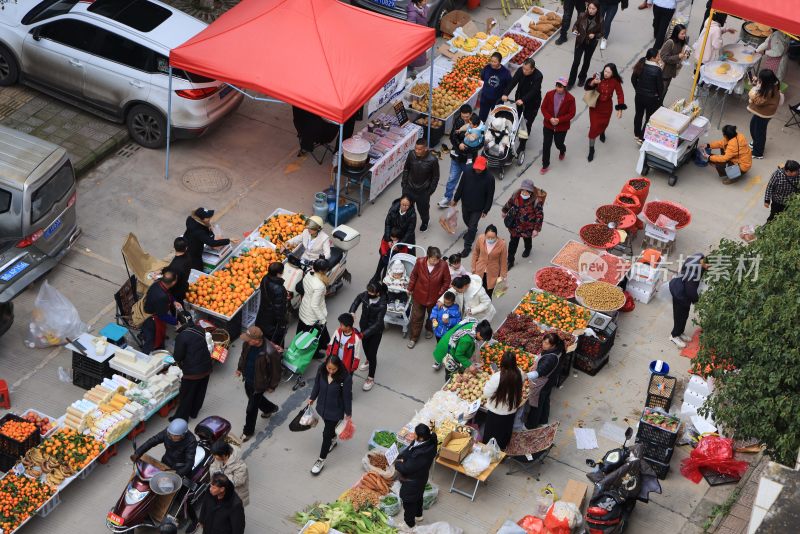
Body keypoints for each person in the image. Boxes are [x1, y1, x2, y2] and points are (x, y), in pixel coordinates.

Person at [307, 355, 353, 475]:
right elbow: (317, 385)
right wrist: (312, 398)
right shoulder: (321, 370)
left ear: (339, 367)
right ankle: (333, 440)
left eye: (334, 369)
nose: (331, 371)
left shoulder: (345, 378)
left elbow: (347, 397)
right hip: (322, 408)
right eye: (329, 368)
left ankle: (321, 460)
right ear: (326, 365)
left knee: (326, 433)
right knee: (330, 428)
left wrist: (348, 413)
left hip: (335, 411)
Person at [235, 326, 281, 442]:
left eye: (249, 339)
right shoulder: (247, 344)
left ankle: (248, 432)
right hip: (248, 379)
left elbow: (276, 371)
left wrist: (272, 386)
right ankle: (270, 408)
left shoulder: (270, 351)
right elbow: (243, 356)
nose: (246, 340)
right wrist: (240, 368)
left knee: (251, 408)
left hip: (260, 384)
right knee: (253, 398)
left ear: (257, 340)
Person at [395, 424, 438, 530]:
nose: (413, 435)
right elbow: (410, 448)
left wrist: (397, 463)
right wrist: (402, 456)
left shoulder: (421, 454)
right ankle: (419, 515)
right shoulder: (429, 442)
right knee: (418, 496)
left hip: (412, 481)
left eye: (415, 433)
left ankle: (409, 524)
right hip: (422, 477)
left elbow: (406, 469)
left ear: (421, 437)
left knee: (409, 501)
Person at [407, 247, 451, 349]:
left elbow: (446, 281)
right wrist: (410, 288)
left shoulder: (443, 265)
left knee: (433, 316)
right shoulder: (420, 262)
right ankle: (413, 338)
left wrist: (440, 294)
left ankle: (429, 329)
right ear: (428, 257)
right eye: (433, 259)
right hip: (419, 295)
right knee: (416, 317)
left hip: (435, 298)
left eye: (437, 260)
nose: (435, 262)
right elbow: (414, 276)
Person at [452, 156, 495, 257]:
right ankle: (473, 230)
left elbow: (490, 195)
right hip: (466, 203)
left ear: (485, 167)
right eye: (476, 168)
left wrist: (486, 209)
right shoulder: (467, 171)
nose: (477, 170)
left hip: (478, 207)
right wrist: (456, 199)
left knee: (471, 227)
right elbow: (461, 185)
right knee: (466, 220)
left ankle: (467, 247)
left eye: (480, 168)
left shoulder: (489, 178)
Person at [349, 281, 387, 391]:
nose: (368, 293)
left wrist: (363, 334)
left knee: (372, 353)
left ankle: (371, 377)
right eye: (368, 291)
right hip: (364, 327)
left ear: (378, 293)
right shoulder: (365, 295)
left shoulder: (382, 304)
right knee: (365, 348)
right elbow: (356, 301)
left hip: (376, 332)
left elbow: (378, 323)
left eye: (372, 292)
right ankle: (368, 361)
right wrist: (352, 312)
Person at [172, 318, 212, 421]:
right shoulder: (199, 329)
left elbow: (178, 356)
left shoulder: (181, 337)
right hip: (206, 366)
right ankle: (194, 413)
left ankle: (181, 418)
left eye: (176, 324)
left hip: (192, 372)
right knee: (200, 391)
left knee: (186, 395)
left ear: (180, 323)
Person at [483, 351, 524, 449]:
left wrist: (493, 376)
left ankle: (490, 449)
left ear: (502, 363)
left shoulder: (497, 377)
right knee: (505, 430)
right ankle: (502, 447)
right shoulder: (520, 373)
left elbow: (486, 393)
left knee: (492, 433)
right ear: (514, 362)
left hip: (496, 411)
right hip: (511, 409)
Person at [585, 63, 626, 162]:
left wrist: (620, 109)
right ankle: (591, 149)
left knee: (604, 123)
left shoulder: (615, 81)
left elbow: (620, 94)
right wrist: (593, 82)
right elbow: (588, 88)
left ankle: (602, 132)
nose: (606, 73)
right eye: (605, 71)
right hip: (595, 106)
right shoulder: (598, 76)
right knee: (594, 128)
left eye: (608, 72)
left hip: (607, 107)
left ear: (613, 73)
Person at [502, 58, 544, 155]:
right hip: (519, 100)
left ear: (532, 69)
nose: (524, 71)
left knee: (526, 123)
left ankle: (522, 145)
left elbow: (534, 91)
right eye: (523, 68)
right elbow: (513, 82)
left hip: (532, 103)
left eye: (527, 70)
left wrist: (523, 100)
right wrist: (505, 93)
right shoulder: (521, 70)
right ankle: (520, 131)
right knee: (519, 118)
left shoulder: (538, 76)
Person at [439, 104, 478, 208]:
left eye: (467, 117)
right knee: (452, 178)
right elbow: (452, 136)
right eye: (463, 116)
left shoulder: (477, 123)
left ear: (471, 114)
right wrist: (458, 144)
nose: (465, 118)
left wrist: (468, 146)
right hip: (457, 156)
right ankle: (447, 198)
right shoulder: (458, 121)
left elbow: (479, 142)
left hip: (469, 158)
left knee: (468, 181)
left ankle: (466, 200)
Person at [132, 418, 197, 478]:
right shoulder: (167, 432)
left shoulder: (191, 441)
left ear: (183, 434)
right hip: (166, 461)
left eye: (176, 436)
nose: (172, 437)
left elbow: (189, 463)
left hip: (181, 467)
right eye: (171, 434)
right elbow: (153, 441)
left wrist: (177, 475)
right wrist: (138, 452)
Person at [525, 333, 565, 428]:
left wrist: (523, 376)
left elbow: (539, 372)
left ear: (553, 345)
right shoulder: (558, 350)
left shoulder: (550, 358)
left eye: (546, 343)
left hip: (542, 383)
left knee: (536, 405)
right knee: (545, 400)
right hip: (550, 381)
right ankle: (544, 420)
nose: (543, 344)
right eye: (544, 341)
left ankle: (531, 425)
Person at [501, 179, 543, 269]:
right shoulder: (516, 195)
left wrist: (536, 229)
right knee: (512, 244)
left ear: (531, 192)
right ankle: (510, 261)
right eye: (523, 190)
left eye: (527, 191)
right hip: (515, 226)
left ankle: (528, 249)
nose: (524, 193)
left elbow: (539, 215)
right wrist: (504, 211)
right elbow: (509, 203)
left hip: (527, 227)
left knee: (527, 240)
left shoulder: (535, 201)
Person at [668, 253, 708, 348]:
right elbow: (691, 292)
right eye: (707, 266)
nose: (708, 268)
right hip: (680, 293)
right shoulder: (693, 274)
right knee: (680, 315)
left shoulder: (699, 257)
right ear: (705, 263)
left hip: (682, 286)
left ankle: (680, 332)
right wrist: (698, 302)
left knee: (685, 314)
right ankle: (674, 336)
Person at [540, 78, 577, 175]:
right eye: (557, 86)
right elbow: (543, 108)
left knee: (558, 143)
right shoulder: (549, 94)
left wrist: (559, 120)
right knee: (546, 145)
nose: (558, 89)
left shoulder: (570, 99)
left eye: (561, 87)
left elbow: (572, 113)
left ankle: (562, 150)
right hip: (548, 125)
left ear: (565, 88)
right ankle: (545, 165)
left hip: (561, 127)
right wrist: (550, 118)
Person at [401, 139, 439, 233]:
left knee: (423, 210)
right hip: (409, 188)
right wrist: (404, 183)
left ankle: (425, 222)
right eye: (416, 148)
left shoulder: (433, 160)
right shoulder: (411, 154)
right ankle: (407, 223)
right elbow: (406, 169)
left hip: (423, 192)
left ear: (425, 149)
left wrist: (430, 190)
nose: (417, 151)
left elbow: (435, 176)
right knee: (405, 208)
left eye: (419, 149)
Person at [183, 207, 234, 272]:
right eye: (208, 217)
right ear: (202, 219)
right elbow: (211, 243)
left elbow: (204, 228)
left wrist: (208, 228)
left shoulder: (191, 219)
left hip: (187, 243)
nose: (210, 218)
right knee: (198, 269)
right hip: (193, 253)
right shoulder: (198, 231)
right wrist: (228, 240)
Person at [140, 268, 178, 354]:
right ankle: (145, 357)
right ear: (173, 283)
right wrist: (177, 322)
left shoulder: (159, 282)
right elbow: (162, 316)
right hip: (151, 319)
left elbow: (168, 295)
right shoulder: (162, 297)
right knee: (151, 341)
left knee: (157, 336)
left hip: (153, 308)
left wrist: (174, 301)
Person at [296, 258, 330, 351]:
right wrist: (322, 319)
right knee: (312, 337)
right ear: (321, 271)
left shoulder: (308, 274)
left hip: (304, 308)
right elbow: (314, 305)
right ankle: (314, 352)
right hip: (312, 315)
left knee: (302, 332)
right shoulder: (319, 286)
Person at [567, 1, 603, 89]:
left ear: (597, 10)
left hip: (591, 44)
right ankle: (571, 82)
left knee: (586, 61)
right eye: (589, 8)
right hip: (580, 41)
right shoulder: (582, 15)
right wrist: (574, 30)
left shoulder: (600, 19)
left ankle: (582, 78)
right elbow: (575, 25)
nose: (590, 10)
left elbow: (602, 33)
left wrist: (594, 35)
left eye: (593, 9)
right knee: (576, 62)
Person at [631, 49, 665, 143]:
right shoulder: (657, 70)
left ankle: (637, 134)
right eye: (658, 56)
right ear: (653, 58)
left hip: (639, 96)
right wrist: (659, 97)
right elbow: (660, 87)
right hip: (651, 99)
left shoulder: (641, 64)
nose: (659, 57)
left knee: (638, 115)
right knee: (649, 118)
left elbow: (633, 79)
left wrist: (637, 89)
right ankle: (642, 138)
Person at [747, 69, 781, 160]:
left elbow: (758, 101)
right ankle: (756, 142)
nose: (759, 80)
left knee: (759, 132)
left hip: (763, 114)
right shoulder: (773, 84)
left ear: (765, 81)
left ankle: (758, 153)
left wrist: (753, 91)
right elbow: (762, 89)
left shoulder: (768, 91)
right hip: (763, 112)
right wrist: (757, 84)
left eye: (761, 79)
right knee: (754, 127)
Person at [255, 262, 289, 346]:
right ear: (279, 273)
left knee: (262, 341)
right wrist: (282, 325)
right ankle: (275, 358)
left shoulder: (265, 278)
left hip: (262, 316)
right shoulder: (279, 289)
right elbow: (279, 310)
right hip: (272, 323)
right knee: (275, 345)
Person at [471, 225, 508, 299]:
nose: (490, 239)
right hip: (479, 270)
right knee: (477, 290)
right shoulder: (481, 239)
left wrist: (502, 276)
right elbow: (475, 253)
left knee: (488, 293)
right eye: (488, 237)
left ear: (496, 236)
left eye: (493, 238)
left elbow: (503, 261)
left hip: (492, 273)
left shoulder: (502, 244)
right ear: (485, 235)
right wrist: (473, 267)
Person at [210, 440, 250, 507]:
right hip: (222, 491)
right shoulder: (218, 458)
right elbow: (213, 467)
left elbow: (239, 481)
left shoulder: (239, 465)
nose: (214, 457)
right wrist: (215, 473)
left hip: (236, 494)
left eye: (215, 456)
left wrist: (221, 477)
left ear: (223, 455)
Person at [479, 53, 512, 122]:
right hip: (485, 98)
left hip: (497, 100)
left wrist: (505, 94)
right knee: (482, 117)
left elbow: (510, 85)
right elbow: (482, 77)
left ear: (500, 62)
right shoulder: (487, 68)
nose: (492, 63)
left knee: (496, 119)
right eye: (491, 61)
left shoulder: (505, 73)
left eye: (495, 62)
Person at [660, 24, 689, 102]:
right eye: (682, 33)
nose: (684, 35)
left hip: (671, 71)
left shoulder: (681, 42)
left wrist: (684, 56)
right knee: (662, 89)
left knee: (665, 88)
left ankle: (659, 103)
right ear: (676, 33)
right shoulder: (670, 42)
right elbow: (664, 57)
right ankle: (657, 105)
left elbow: (679, 55)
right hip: (664, 71)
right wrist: (678, 56)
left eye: (685, 33)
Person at [406, 0, 429, 76]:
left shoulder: (422, 7)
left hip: (421, 34)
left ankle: (412, 68)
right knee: (413, 55)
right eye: (424, 0)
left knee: (419, 53)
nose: (426, 1)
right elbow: (411, 28)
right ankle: (409, 71)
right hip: (416, 37)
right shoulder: (412, 14)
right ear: (418, 2)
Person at [166, 237, 191, 304]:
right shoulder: (188, 257)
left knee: (177, 309)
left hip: (175, 293)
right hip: (184, 286)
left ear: (174, 247)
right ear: (186, 248)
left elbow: (169, 281)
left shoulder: (174, 266)